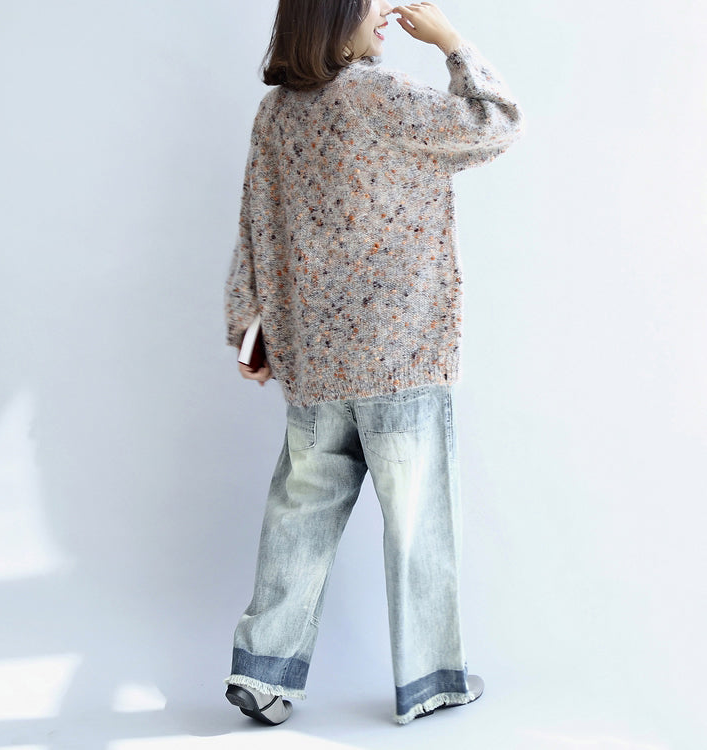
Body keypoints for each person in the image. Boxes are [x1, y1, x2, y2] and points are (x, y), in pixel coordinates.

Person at [223, 0, 524, 726]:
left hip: (316, 364)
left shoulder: (275, 114)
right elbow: (495, 124)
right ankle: (430, 682)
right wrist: (452, 44)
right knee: (417, 525)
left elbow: (253, 223)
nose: (383, 14)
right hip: (401, 355)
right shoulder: (378, 95)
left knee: (299, 518)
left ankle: (262, 675)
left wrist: (246, 328)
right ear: (334, 16)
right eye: (366, 4)